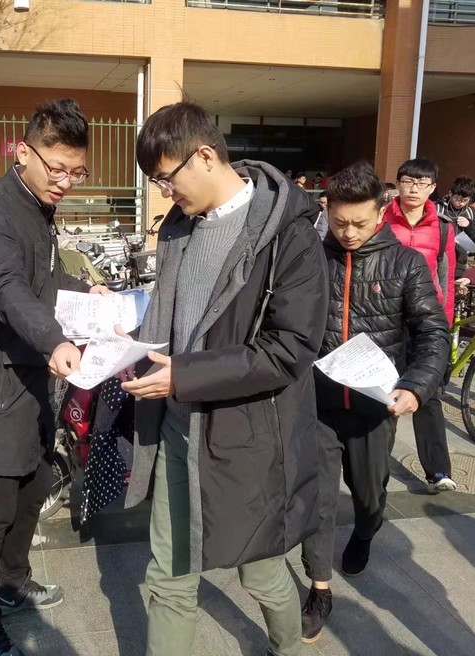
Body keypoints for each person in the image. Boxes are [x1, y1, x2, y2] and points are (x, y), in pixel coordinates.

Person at [120, 101, 329, 656]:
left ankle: (288, 646)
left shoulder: (288, 236)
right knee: (169, 578)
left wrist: (184, 375)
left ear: (206, 156)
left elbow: (289, 349)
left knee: (260, 574)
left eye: (166, 178)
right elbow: (173, 315)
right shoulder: (178, 228)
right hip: (177, 429)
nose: (165, 192)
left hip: (245, 439)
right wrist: (125, 332)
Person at [0, 99, 109, 656]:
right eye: (57, 168)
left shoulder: (38, 208)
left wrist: (84, 291)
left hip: (32, 386)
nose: (65, 182)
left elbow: (44, 279)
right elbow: (6, 289)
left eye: (77, 172)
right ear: (23, 152)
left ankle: (13, 582)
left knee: (33, 490)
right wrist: (55, 339)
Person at [300, 162, 450, 643]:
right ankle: (319, 587)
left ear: (381, 213)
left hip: (374, 407)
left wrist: (417, 386)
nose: (348, 233)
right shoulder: (309, 258)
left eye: (359, 223)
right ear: (327, 210)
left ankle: (365, 531)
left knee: (369, 495)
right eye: (339, 222)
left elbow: (433, 333)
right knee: (318, 499)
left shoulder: (406, 264)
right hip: (317, 403)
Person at [384, 158, 457, 492]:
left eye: (422, 183)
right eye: (408, 181)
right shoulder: (382, 218)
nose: (414, 189)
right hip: (386, 315)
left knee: (429, 391)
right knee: (385, 389)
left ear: (432, 188)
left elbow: (446, 277)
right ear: (398, 183)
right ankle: (375, 463)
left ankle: (438, 470)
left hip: (426, 317)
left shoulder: (442, 228)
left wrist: (445, 323)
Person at [436, 175, 475, 243]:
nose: (461, 203)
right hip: (442, 247)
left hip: (462, 249)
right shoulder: (438, 208)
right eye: (458, 199)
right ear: (450, 193)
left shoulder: (471, 213)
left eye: (465, 200)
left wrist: (468, 226)